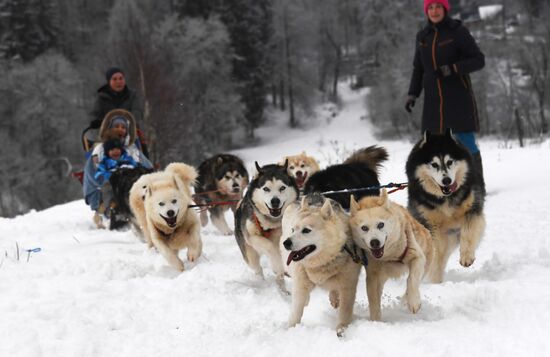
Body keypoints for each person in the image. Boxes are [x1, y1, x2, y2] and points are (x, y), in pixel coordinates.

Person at [405, 0, 485, 188]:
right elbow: (418, 69)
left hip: (458, 99)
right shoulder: (423, 36)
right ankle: (445, 186)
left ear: (445, 9)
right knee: (434, 147)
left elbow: (478, 60)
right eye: (430, 7)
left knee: (465, 143)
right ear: (426, 11)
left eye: (438, 6)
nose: (434, 11)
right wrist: (412, 94)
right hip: (433, 103)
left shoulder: (457, 31)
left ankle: (477, 185)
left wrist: (453, 68)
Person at [83, 109, 152, 228]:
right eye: (116, 126)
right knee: (111, 189)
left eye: (123, 127)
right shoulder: (99, 150)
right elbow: (92, 175)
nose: (120, 129)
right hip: (108, 186)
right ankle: (112, 211)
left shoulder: (132, 149)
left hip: (132, 184)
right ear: (109, 128)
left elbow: (148, 168)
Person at [89, 67, 149, 157]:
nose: (118, 82)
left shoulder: (132, 95)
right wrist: (96, 121)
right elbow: (95, 114)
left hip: (129, 132)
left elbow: (138, 111)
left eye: (121, 78)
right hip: (108, 135)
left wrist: (132, 120)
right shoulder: (101, 97)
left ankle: (146, 164)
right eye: (115, 79)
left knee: (140, 146)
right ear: (109, 81)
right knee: (97, 150)